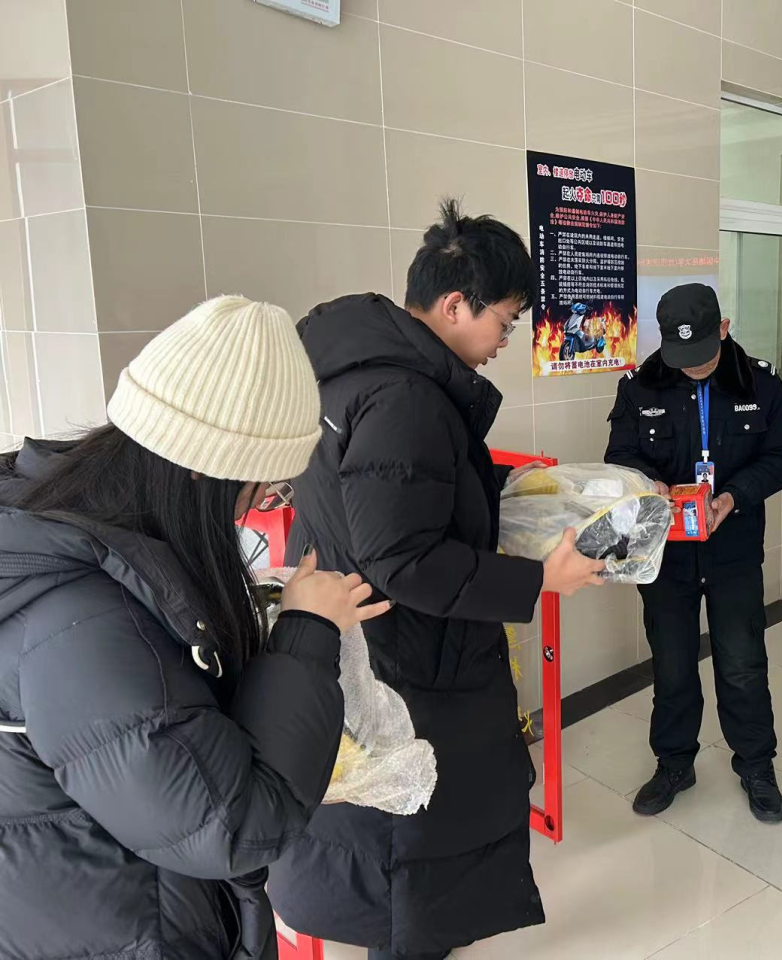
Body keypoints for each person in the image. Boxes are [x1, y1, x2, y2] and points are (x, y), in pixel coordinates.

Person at [0, 296, 388, 960]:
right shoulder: (82, 624)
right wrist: (306, 630)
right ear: (204, 466)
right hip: (120, 927)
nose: (258, 508)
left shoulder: (78, 514)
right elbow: (235, 826)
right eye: (265, 489)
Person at [267, 199, 605, 960]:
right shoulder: (407, 398)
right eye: (504, 323)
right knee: (413, 840)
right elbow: (405, 558)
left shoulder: (345, 374)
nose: (504, 342)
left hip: (360, 639)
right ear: (456, 305)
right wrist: (539, 579)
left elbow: (385, 510)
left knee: (387, 827)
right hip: (412, 654)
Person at [604, 282, 782, 822]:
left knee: (742, 663)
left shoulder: (761, 382)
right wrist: (650, 484)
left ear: (724, 328)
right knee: (671, 664)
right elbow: (620, 453)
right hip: (666, 553)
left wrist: (733, 497)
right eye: (680, 354)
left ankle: (756, 765)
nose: (691, 365)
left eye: (701, 353)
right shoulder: (640, 385)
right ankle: (674, 763)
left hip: (733, 548)